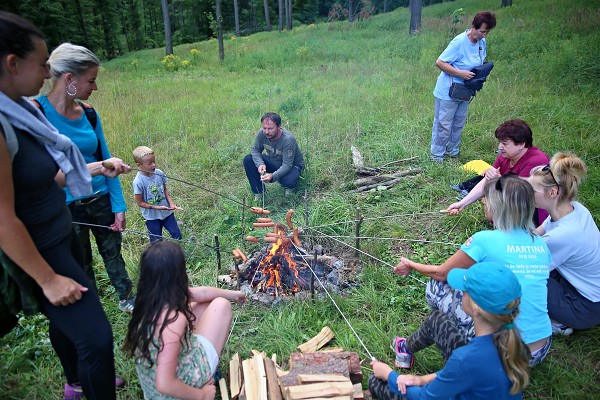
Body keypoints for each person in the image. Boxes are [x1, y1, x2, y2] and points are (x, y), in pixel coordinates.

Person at [0, 11, 131, 399]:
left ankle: (77, 383)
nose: (45, 74)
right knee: (96, 336)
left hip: (58, 237)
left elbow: (51, 175)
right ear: (12, 63)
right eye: (41, 65)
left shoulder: (21, 112)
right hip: (42, 248)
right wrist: (47, 279)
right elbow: (3, 216)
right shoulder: (13, 119)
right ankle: (83, 383)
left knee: (75, 324)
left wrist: (99, 168)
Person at [395, 174, 551, 366]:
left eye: (488, 198)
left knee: (436, 285)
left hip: (503, 353)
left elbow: (441, 273)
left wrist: (411, 264)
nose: (484, 201)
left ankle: (464, 346)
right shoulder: (541, 244)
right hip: (539, 349)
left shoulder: (484, 240)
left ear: (499, 206)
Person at [36, 43, 135, 313]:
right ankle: (90, 308)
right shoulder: (37, 114)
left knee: (113, 254)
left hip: (100, 198)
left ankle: (127, 298)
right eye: (91, 80)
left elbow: (106, 158)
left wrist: (118, 206)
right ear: (69, 79)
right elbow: (41, 175)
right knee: (79, 264)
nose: (95, 87)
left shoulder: (89, 113)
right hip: (64, 207)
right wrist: (100, 166)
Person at [369, 262, 530, 400]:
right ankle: (405, 350)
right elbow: (467, 371)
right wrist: (422, 380)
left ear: (476, 308)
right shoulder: (513, 341)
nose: (460, 293)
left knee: (375, 382)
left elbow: (424, 397)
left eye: (464, 291)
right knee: (438, 320)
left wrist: (389, 375)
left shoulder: (466, 359)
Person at [123, 241, 246, 399]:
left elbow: (201, 293)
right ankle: (207, 377)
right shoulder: (173, 321)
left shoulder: (148, 300)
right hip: (179, 388)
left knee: (205, 303)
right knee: (221, 306)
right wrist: (202, 395)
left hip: (154, 383)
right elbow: (164, 384)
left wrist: (234, 295)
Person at [529, 152, 600, 335]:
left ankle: (558, 323)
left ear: (552, 192)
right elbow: (538, 234)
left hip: (584, 307)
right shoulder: (575, 208)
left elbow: (525, 262)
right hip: (580, 286)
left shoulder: (562, 236)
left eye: (532, 190)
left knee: (523, 278)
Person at [446, 119, 550, 225]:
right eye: (500, 142)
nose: (499, 147)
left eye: (504, 143)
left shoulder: (536, 160)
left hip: (533, 210)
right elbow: (487, 180)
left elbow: (523, 194)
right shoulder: (505, 156)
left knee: (491, 198)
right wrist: (462, 204)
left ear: (521, 144)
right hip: (512, 203)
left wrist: (500, 182)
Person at [430, 11, 496, 163]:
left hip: (465, 91)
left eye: (487, 32)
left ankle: (453, 152)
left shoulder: (481, 43)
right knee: (443, 125)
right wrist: (460, 73)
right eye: (482, 31)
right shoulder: (459, 42)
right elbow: (440, 62)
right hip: (448, 91)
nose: (484, 35)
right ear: (473, 27)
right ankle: (437, 156)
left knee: (458, 123)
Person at [243, 112, 304, 199]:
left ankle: (290, 187)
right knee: (248, 160)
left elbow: (287, 165)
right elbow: (255, 150)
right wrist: (260, 164)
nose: (266, 132)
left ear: (279, 127)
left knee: (287, 180)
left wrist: (273, 177)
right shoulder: (262, 133)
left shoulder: (288, 140)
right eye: (264, 128)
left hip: (292, 165)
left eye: (270, 128)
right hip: (274, 161)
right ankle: (259, 192)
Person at [132, 145, 183, 243]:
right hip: (151, 217)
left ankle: (180, 250)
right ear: (139, 165)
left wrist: (172, 204)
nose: (153, 165)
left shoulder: (159, 173)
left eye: (154, 161)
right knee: (156, 241)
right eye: (149, 163)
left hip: (167, 213)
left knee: (176, 234)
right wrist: (156, 207)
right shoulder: (138, 182)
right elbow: (139, 202)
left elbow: (165, 189)